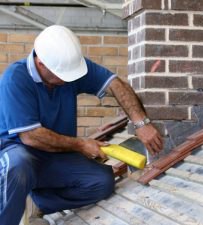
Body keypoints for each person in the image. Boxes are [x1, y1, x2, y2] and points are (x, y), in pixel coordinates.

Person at [0, 25, 163, 225]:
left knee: (101, 182)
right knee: (17, 166)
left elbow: (115, 84)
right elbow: (31, 136)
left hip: (54, 154)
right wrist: (81, 145)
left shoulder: (71, 68)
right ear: (41, 63)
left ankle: (39, 202)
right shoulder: (15, 79)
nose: (68, 80)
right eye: (62, 75)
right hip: (18, 151)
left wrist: (141, 122)